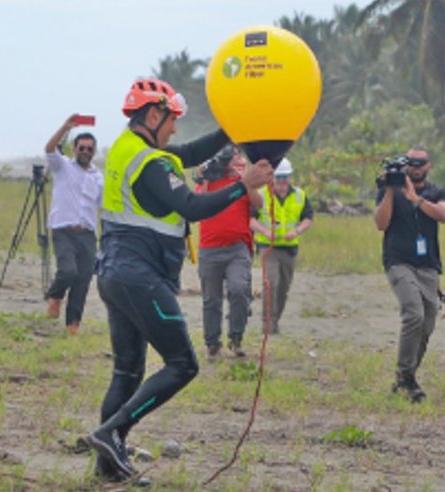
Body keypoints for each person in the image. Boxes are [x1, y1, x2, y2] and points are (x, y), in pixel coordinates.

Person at [85, 78, 273, 484]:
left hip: (116, 274)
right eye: (171, 120)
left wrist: (230, 132)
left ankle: (108, 466)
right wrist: (244, 186)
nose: (174, 129)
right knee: (183, 364)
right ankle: (112, 433)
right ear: (152, 115)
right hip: (139, 277)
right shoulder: (151, 163)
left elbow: (185, 154)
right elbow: (192, 205)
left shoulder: (129, 149)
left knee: (127, 372)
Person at [373, 147, 445, 402]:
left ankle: (405, 377)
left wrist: (414, 197)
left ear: (429, 166)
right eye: (411, 163)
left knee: (427, 321)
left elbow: (443, 215)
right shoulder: (390, 192)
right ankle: (407, 376)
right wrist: (389, 190)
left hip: (428, 265)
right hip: (399, 261)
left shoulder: (438, 192)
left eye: (421, 163)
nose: (416, 167)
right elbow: (380, 224)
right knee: (413, 313)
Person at [194, 144, 262, 359]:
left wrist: (247, 183)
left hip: (237, 248)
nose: (237, 161)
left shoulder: (241, 182)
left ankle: (236, 337)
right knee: (211, 299)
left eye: (238, 157)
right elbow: (198, 205)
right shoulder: (211, 180)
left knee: (239, 289)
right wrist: (205, 176)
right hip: (209, 248)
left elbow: (258, 205)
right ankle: (212, 343)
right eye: (233, 158)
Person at [43, 115, 104, 335]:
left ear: (94, 152)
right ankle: (55, 295)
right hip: (63, 230)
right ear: (74, 148)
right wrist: (65, 127)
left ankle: (73, 325)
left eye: (89, 149)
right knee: (68, 270)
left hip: (87, 233)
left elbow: (103, 207)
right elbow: (50, 148)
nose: (85, 152)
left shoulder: (98, 177)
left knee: (83, 280)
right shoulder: (63, 166)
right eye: (81, 148)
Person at [249, 159, 313, 335]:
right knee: (270, 282)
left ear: (290, 178)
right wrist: (265, 232)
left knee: (283, 287)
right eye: (278, 178)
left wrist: (297, 231)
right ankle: (267, 324)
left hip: (289, 248)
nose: (281, 183)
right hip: (268, 247)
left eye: (285, 178)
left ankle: (275, 320)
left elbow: (308, 218)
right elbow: (251, 219)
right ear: (271, 178)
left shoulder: (300, 195)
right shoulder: (261, 194)